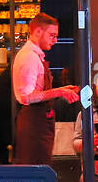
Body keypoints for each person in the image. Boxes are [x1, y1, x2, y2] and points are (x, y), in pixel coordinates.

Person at [11, 14, 79, 166]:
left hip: (39, 121)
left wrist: (63, 89)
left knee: (41, 168)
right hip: (33, 123)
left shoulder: (34, 55)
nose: (55, 41)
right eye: (52, 35)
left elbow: (37, 91)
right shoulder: (29, 57)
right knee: (35, 171)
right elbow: (26, 98)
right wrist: (60, 92)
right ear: (37, 32)